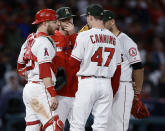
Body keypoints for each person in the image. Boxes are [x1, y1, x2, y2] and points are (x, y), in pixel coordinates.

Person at [69, 4, 121, 131]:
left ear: (91, 17)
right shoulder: (115, 39)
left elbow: (72, 64)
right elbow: (118, 71)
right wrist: (112, 92)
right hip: (106, 84)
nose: (86, 19)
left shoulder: (84, 35)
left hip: (87, 82)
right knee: (101, 126)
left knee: (77, 124)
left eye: (87, 17)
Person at [17, 9, 64, 131]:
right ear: (45, 23)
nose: (57, 24)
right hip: (41, 88)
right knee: (55, 126)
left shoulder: (28, 40)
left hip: (30, 89)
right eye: (54, 22)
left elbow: (20, 68)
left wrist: (32, 78)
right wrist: (52, 93)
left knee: (33, 127)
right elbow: (44, 70)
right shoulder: (44, 42)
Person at [103, 10, 150, 131]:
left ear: (112, 22)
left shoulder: (126, 41)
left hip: (122, 87)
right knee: (105, 126)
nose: (101, 24)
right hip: (107, 86)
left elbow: (138, 68)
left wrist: (137, 94)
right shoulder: (104, 40)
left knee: (119, 126)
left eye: (104, 21)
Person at [51, 7, 78, 126]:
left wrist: (73, 35)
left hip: (77, 93)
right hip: (59, 94)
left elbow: (85, 56)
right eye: (64, 20)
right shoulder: (51, 38)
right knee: (56, 127)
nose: (68, 22)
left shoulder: (78, 38)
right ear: (57, 22)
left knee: (78, 127)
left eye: (70, 19)